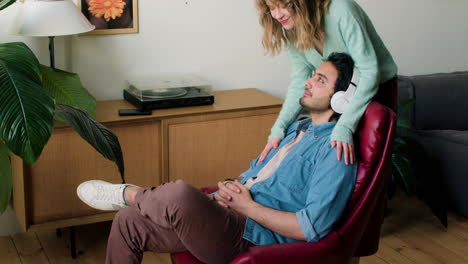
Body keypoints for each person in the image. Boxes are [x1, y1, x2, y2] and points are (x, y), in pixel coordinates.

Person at [77, 53, 358, 264]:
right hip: (227, 212)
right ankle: (132, 201)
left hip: (248, 235)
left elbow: (310, 228)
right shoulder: (298, 128)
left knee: (179, 193)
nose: (308, 82)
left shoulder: (335, 150)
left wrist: (245, 207)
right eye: (313, 75)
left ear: (342, 99)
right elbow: (262, 179)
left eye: (320, 80)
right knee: (128, 222)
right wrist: (232, 187)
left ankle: (131, 193)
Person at [255, 0, 398, 166]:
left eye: (285, 5)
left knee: (369, 167)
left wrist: (345, 125)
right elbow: (299, 82)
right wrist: (278, 129)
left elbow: (369, 71)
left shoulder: (341, 10)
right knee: (337, 163)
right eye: (272, 7)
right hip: (337, 96)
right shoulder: (291, 25)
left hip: (376, 90)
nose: (278, 14)